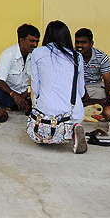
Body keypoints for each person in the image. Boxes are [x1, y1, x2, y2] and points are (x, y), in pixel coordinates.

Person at [28, 21, 87, 153]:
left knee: (39, 137)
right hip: (73, 112)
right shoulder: (77, 57)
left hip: (46, 112)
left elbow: (36, 89)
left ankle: (48, 131)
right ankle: (74, 128)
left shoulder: (38, 53)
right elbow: (81, 91)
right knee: (73, 114)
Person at [0, 24, 40, 112]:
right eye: (32, 41)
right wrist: (14, 95)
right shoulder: (8, 55)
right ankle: (20, 104)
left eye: (37, 42)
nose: (35, 45)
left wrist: (24, 95)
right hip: (8, 93)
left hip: (23, 93)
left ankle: (16, 105)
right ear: (22, 40)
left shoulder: (35, 56)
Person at [74, 28, 110, 106]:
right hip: (78, 88)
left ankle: (93, 103)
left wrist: (109, 98)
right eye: (77, 42)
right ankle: (98, 103)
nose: (79, 45)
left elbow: (108, 81)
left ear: (91, 43)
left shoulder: (101, 57)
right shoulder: (71, 55)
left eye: (83, 42)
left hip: (96, 88)